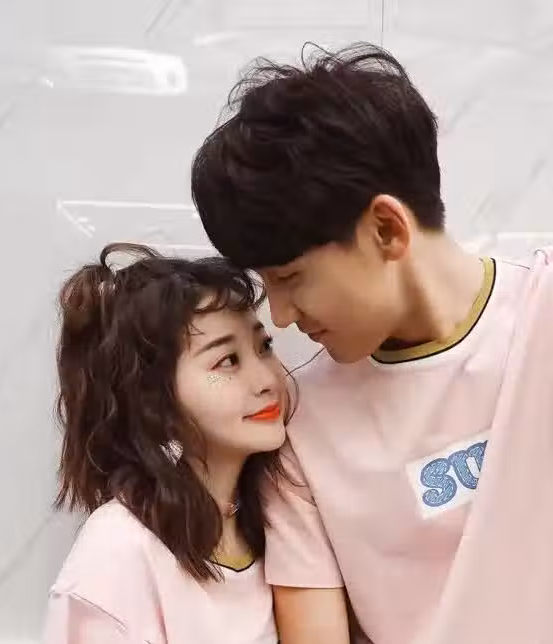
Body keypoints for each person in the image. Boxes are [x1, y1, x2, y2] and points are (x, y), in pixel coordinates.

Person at [191, 42, 553, 644]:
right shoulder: (299, 424)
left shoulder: (542, 318)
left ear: (386, 229)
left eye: (290, 278)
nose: (280, 315)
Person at [43, 242, 289, 644]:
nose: (267, 379)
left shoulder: (280, 514)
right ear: (153, 402)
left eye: (264, 347)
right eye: (227, 360)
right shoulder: (117, 551)